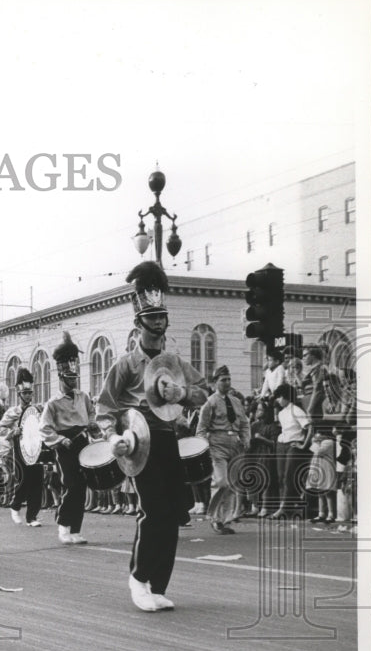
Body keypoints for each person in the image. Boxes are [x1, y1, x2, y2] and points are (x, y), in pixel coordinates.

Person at [97, 261, 210, 612]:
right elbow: (105, 408)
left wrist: (181, 394)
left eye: (162, 316)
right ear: (139, 322)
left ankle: (158, 585)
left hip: (167, 441)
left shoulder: (174, 362)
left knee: (175, 511)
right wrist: (113, 436)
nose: (159, 322)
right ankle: (138, 578)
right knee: (153, 510)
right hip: (137, 445)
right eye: (153, 316)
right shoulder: (125, 365)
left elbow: (203, 393)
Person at [41, 332, 96, 544]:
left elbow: (91, 413)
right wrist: (58, 440)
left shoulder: (84, 397)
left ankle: (76, 529)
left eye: (75, 378)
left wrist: (92, 424)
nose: (73, 382)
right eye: (69, 379)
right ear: (61, 378)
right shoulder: (53, 403)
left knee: (82, 486)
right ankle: (63, 526)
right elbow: (44, 428)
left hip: (82, 442)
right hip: (65, 445)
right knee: (70, 484)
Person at [196, 365, 251, 535]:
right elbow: (201, 429)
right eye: (223, 380)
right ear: (215, 383)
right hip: (217, 443)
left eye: (228, 379)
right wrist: (205, 446)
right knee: (221, 482)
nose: (227, 383)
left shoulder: (236, 401)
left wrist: (245, 438)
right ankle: (214, 518)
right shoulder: (210, 402)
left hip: (235, 444)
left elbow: (244, 423)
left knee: (232, 484)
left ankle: (224, 520)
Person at [0, 367, 45, 527]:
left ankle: (32, 516)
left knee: (37, 480)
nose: (28, 396)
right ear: (19, 394)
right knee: (24, 479)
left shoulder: (38, 409)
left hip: (36, 448)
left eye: (30, 392)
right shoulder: (13, 411)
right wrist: (13, 431)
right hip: (20, 448)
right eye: (25, 393)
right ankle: (15, 505)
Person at [272, 382, 313, 520]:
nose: (278, 400)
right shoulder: (282, 413)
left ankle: (285, 508)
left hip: (293, 445)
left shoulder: (296, 409)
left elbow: (309, 427)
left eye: (279, 397)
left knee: (289, 477)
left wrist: (304, 445)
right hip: (282, 444)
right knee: (281, 477)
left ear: (285, 396)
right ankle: (284, 508)